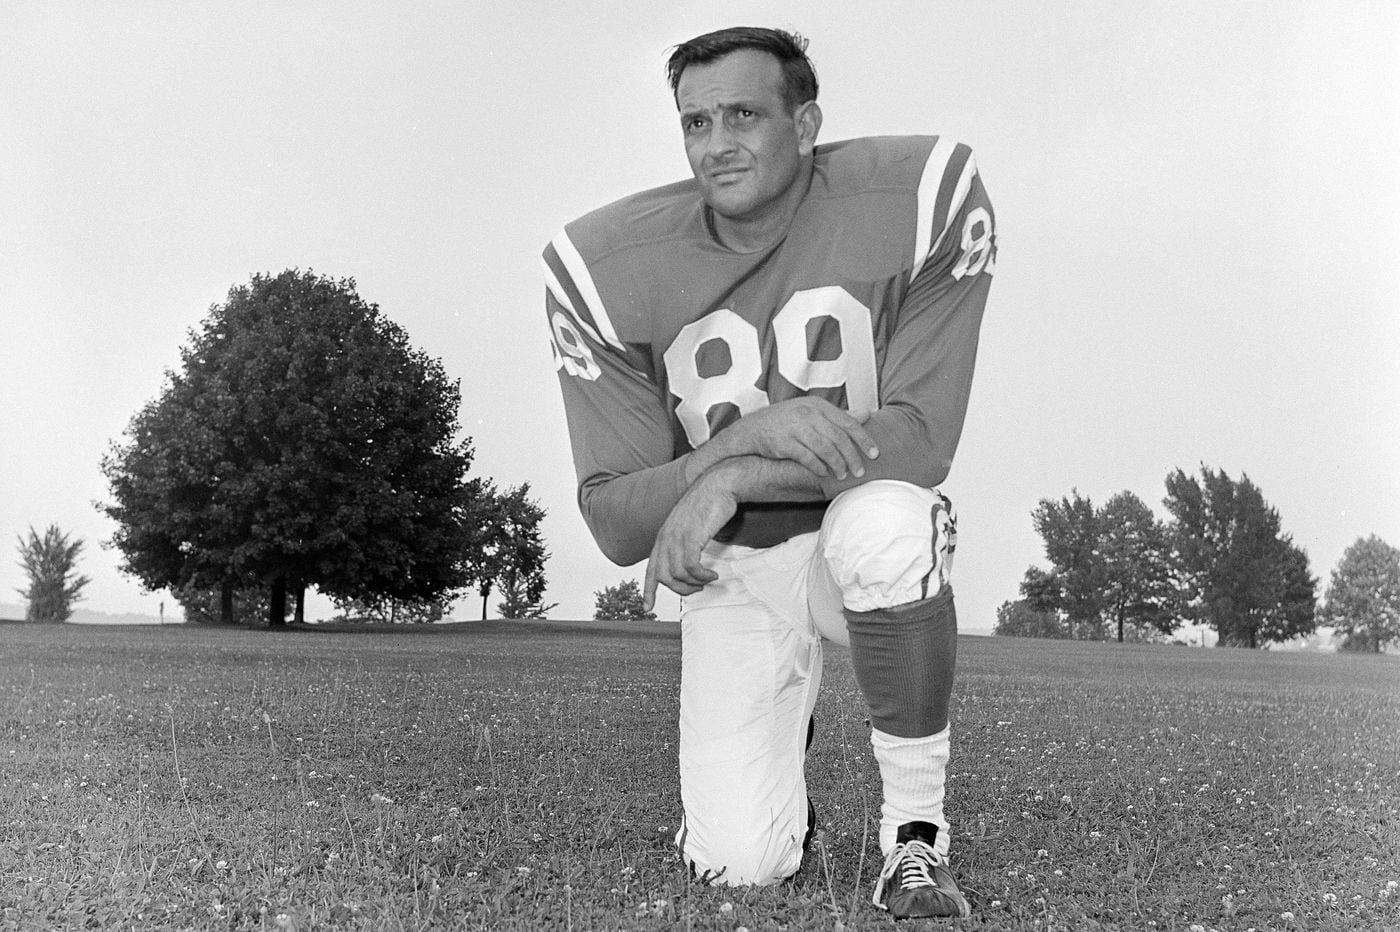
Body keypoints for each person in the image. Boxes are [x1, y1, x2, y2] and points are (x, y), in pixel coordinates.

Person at [543, 26, 995, 919]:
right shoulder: (606, 264)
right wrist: (732, 449)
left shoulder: (919, 196)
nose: (717, 144)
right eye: (696, 121)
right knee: (740, 864)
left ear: (806, 124)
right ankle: (786, 763)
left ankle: (914, 839)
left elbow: (918, 441)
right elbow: (618, 523)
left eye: (744, 115)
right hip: (733, 567)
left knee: (889, 524)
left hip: (847, 536)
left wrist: (730, 480)